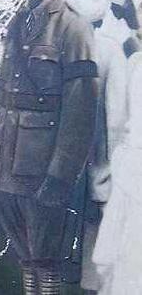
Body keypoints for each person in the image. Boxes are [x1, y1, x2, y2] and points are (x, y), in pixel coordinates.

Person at [0, 0, 98, 295]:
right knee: (25, 256)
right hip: (5, 162)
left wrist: (60, 176)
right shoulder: (19, 21)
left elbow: (81, 112)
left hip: (42, 167)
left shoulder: (73, 28)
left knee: (46, 260)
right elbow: (5, 95)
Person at [65, 0, 128, 294]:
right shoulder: (78, 47)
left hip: (87, 164)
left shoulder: (107, 50)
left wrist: (105, 175)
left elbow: (115, 120)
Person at [92, 50, 142, 294]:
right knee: (119, 257)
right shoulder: (135, 62)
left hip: (133, 167)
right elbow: (119, 122)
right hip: (131, 168)